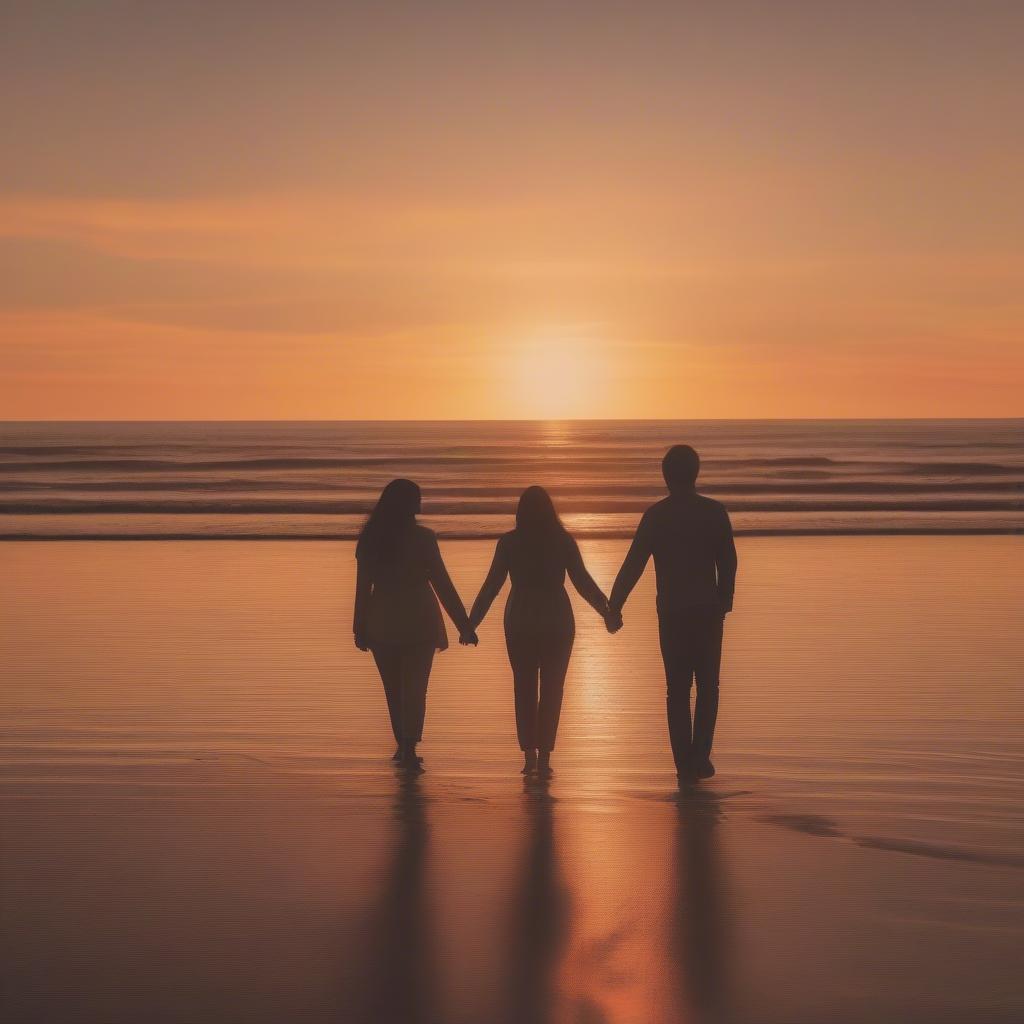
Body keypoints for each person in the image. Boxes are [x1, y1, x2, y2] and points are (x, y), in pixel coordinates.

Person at [606, 445, 737, 784]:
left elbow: (634, 563)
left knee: (677, 689)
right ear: (696, 473)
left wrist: (615, 604)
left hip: (673, 612)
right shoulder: (714, 512)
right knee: (708, 686)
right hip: (707, 610)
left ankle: (684, 762)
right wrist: (726, 597)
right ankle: (700, 756)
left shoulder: (656, 516)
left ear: (665, 476)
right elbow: (728, 560)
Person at [469, 485, 610, 777]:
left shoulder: (509, 543)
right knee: (552, 688)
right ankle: (544, 754)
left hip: (520, 617)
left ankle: (530, 755)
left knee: (524, 687)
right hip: (556, 618)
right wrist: (607, 611)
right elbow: (583, 582)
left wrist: (470, 623)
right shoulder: (562, 541)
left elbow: (491, 588)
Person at [354, 478, 477, 772]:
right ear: (408, 504)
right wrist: (463, 624)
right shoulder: (423, 538)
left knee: (393, 689)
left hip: (382, 619)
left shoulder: (370, 538)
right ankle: (408, 745)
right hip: (420, 620)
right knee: (415, 688)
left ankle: (403, 744)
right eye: (417, 499)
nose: (420, 504)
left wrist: (359, 626)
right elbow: (442, 584)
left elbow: (363, 588)